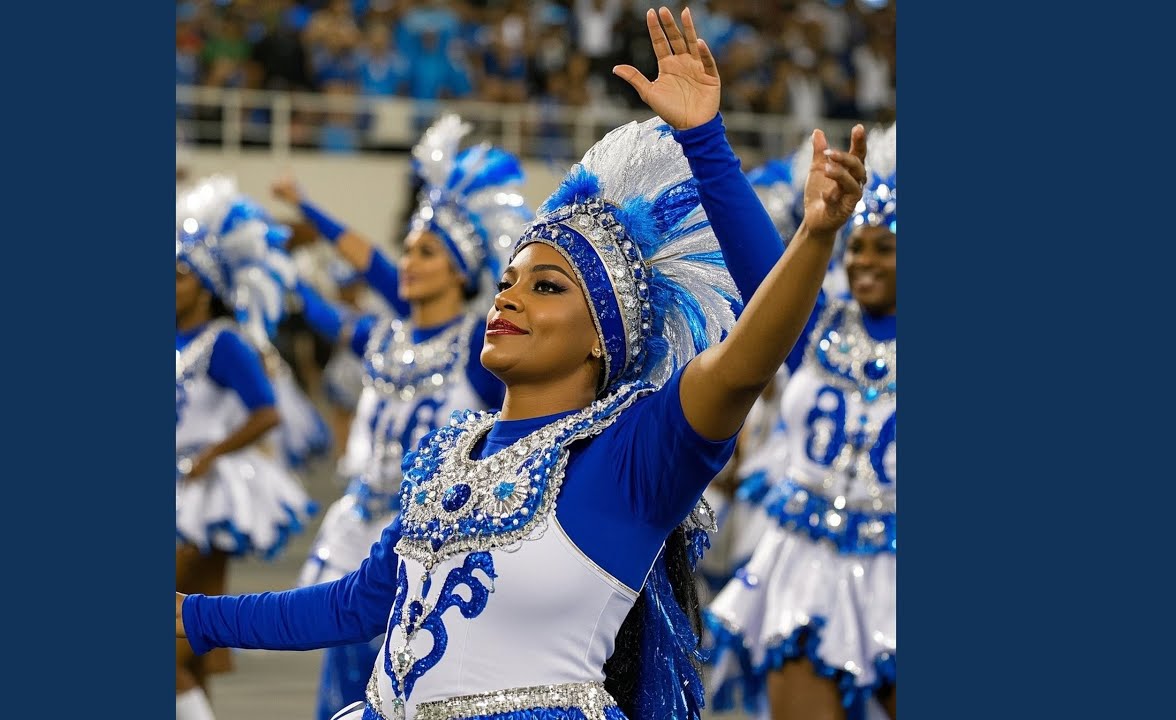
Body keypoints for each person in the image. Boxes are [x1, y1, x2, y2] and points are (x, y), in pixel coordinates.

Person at [177, 8, 868, 720]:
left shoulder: (633, 452)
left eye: (546, 286)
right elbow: (359, 602)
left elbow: (758, 351)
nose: (509, 297)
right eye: (507, 281)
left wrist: (754, 184)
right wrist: (192, 615)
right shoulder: (448, 455)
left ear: (604, 334)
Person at [278, 115, 534, 720]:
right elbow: (329, 314)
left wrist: (309, 210)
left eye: (425, 253)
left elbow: (370, 266)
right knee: (341, 680)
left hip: (439, 540)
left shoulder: (480, 343)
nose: (408, 263)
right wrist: (284, 277)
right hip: (360, 527)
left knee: (415, 688)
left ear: (459, 269)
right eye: (409, 251)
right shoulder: (383, 337)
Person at [704, 122, 897, 720]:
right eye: (857, 246)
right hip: (805, 565)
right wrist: (704, 139)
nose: (863, 260)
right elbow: (755, 258)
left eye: (883, 247)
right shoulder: (819, 327)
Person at [175, 179, 318, 720]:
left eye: (183, 273)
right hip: (177, 487)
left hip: (204, 496)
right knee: (187, 646)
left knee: (180, 635)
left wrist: (211, 453)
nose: (172, 281)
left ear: (207, 284)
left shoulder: (223, 342)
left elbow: (268, 412)